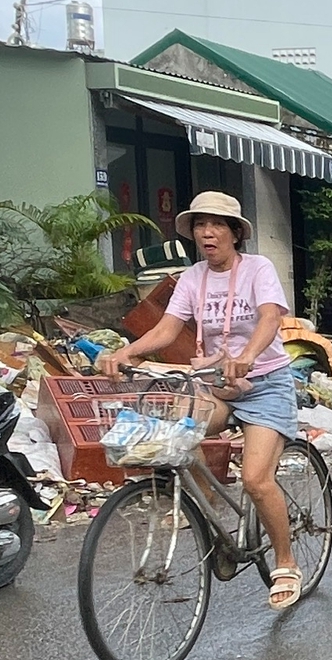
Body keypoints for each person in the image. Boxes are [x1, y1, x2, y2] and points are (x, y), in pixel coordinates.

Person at [99, 192, 307, 609]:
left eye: (216, 224)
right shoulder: (192, 277)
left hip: (264, 383)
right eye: (199, 225)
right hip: (214, 383)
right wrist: (127, 352)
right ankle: (215, 526)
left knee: (255, 479)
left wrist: (248, 355)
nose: (206, 232)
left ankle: (285, 562)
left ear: (234, 233)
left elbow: (270, 316)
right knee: (174, 442)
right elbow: (167, 329)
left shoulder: (257, 269)